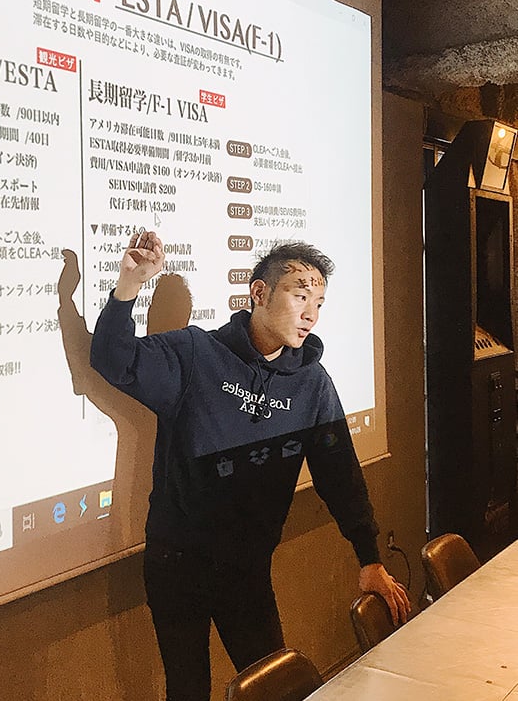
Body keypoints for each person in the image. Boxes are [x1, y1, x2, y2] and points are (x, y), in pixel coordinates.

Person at [90, 230, 410, 701]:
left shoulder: (312, 384)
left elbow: (339, 474)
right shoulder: (196, 355)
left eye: (319, 303)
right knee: (187, 689)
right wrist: (129, 285)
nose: (311, 314)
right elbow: (113, 360)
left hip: (247, 569)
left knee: (275, 686)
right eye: (300, 296)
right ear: (259, 292)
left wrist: (369, 558)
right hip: (176, 563)